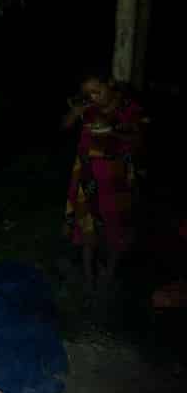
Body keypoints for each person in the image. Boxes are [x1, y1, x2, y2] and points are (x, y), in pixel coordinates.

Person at [62, 73, 145, 294]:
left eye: (97, 90)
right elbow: (65, 124)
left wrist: (113, 131)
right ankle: (89, 277)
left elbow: (139, 138)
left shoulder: (128, 107)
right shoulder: (88, 107)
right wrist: (75, 111)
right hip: (88, 174)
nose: (93, 96)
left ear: (109, 84)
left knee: (115, 223)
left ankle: (109, 273)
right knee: (86, 224)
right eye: (88, 93)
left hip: (116, 175)